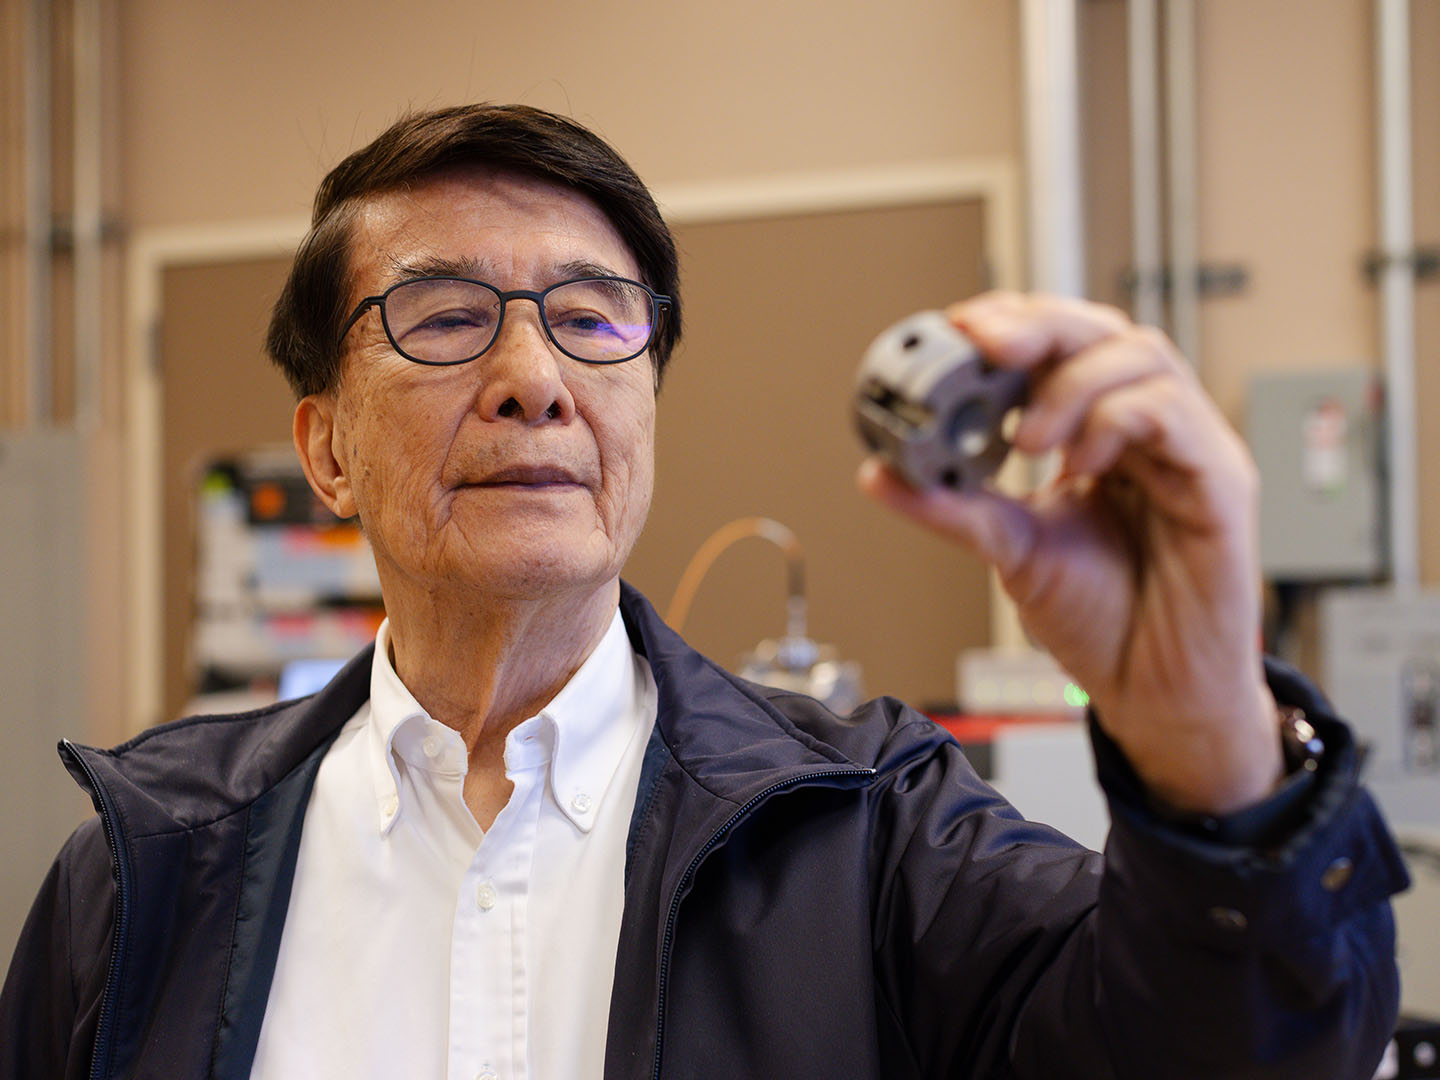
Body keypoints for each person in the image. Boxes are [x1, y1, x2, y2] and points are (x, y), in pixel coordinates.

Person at [0, 103, 1409, 1080]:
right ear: (326, 448)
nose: (534, 378)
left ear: (645, 405)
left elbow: (1232, 1055)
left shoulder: (871, 829)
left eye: (593, 318)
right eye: (443, 318)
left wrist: (1206, 732)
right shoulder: (148, 872)